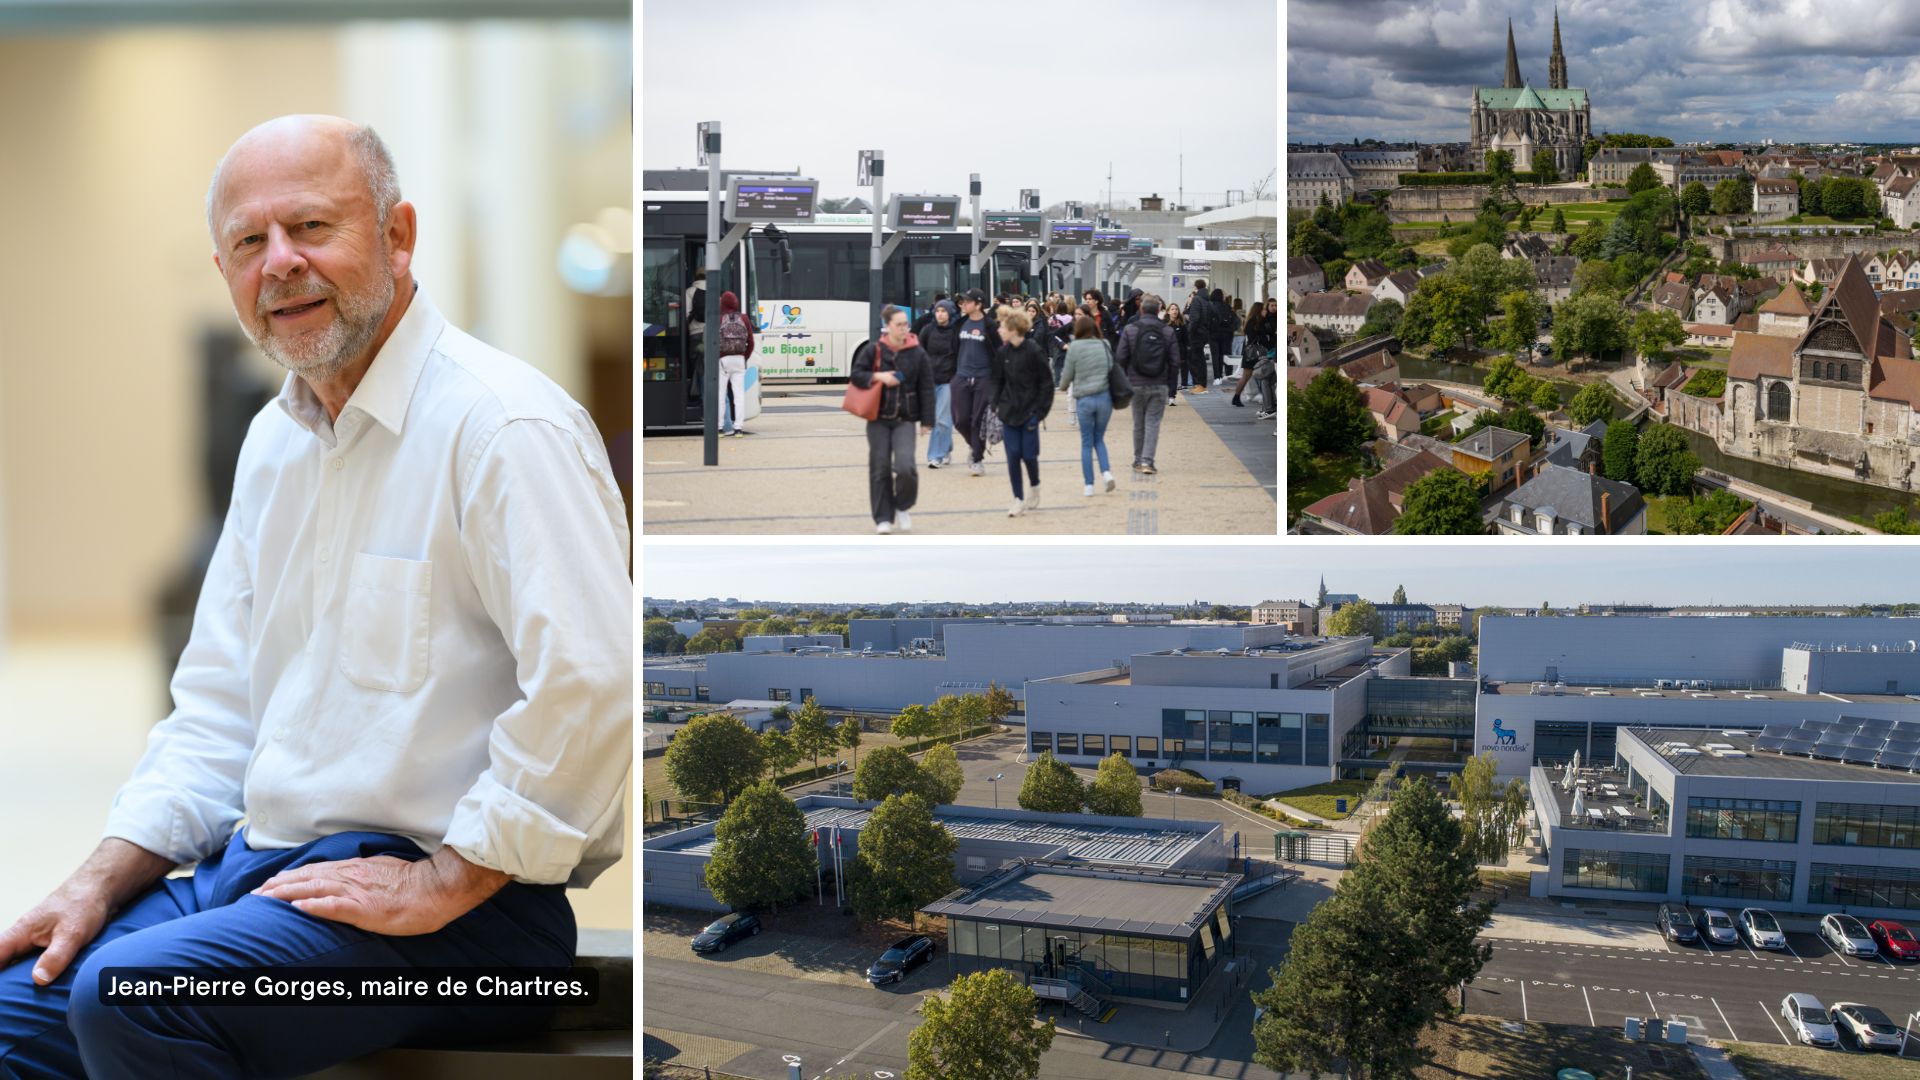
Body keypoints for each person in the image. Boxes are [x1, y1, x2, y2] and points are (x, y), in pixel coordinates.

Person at [0, 115, 631, 1079]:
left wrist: (450, 879)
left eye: (313, 228)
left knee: (135, 996)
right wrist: (96, 881)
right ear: (226, 272)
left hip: (474, 930)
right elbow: (217, 709)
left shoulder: (503, 427)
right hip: (268, 880)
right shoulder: (275, 445)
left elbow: (594, 683)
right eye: (251, 242)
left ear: (398, 234)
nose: (281, 262)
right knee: (15, 1005)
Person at [849, 305, 935, 533]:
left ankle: (902, 505)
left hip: (905, 418)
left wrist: (928, 421)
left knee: (906, 466)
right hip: (878, 418)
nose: (904, 328)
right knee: (880, 468)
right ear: (887, 326)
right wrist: (879, 376)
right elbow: (856, 375)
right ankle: (883, 518)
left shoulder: (917, 352)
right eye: (899, 324)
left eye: (905, 324)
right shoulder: (874, 350)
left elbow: (926, 387)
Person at [989, 306, 1052, 515]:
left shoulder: (1033, 350)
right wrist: (994, 403)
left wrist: (1040, 412)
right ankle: (1017, 498)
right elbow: (997, 380)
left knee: (1029, 455)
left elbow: (1046, 383)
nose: (999, 329)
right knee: (1013, 456)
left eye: (1003, 327)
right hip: (1008, 413)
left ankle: (1035, 485)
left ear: (1014, 329)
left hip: (1030, 413)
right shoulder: (1002, 352)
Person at [1117, 295, 1181, 475]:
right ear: (1159, 310)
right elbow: (1175, 361)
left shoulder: (1130, 329)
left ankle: (1138, 460)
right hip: (1159, 383)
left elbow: (1120, 357)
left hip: (1135, 384)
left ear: (1141, 310)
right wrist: (1169, 383)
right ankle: (1147, 461)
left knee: (1138, 423)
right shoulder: (1167, 331)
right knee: (1153, 423)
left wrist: (1125, 379)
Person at [1056, 312, 1117, 496]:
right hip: (1104, 396)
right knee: (1099, 438)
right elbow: (1111, 367)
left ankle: (1089, 485)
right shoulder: (1104, 344)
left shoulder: (1074, 347)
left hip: (1084, 399)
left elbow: (1066, 375)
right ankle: (1106, 473)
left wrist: (1064, 386)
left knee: (1086, 442)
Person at [949, 289, 1001, 476]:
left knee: (977, 420)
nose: (963, 304)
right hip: (961, 376)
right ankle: (975, 446)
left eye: (967, 302)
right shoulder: (960, 324)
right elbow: (953, 349)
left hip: (983, 378)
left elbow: (999, 352)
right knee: (960, 420)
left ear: (978, 304)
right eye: (962, 301)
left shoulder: (990, 326)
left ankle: (977, 459)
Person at [918, 298, 960, 468]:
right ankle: (946, 446)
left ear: (950, 313)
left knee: (941, 418)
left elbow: (960, 355)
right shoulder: (928, 330)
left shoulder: (957, 332)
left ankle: (936, 455)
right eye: (937, 311)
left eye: (943, 311)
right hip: (929, 380)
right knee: (942, 418)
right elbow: (920, 353)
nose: (940, 314)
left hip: (948, 381)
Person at [715, 288, 755, 436]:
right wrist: (744, 357)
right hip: (739, 360)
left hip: (723, 360)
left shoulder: (720, 319)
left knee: (721, 394)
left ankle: (719, 428)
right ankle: (738, 428)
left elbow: (714, 341)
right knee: (739, 395)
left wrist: (719, 356)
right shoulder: (744, 318)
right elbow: (751, 342)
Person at [1231, 299, 1279, 409]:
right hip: (1255, 353)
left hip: (1250, 353)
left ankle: (1236, 397)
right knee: (1262, 376)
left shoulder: (1252, 321)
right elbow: (1259, 337)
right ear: (1258, 310)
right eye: (1263, 309)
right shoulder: (1255, 322)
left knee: (1246, 376)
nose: (1265, 311)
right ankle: (1265, 400)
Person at [1184, 280, 1214, 393]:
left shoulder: (1197, 299)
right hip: (1204, 333)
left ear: (1195, 286)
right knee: (1199, 358)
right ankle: (1200, 384)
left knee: (1196, 359)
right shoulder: (1207, 299)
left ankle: (1200, 385)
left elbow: (1195, 319)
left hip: (1196, 333)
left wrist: (1190, 332)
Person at [685, 266, 707, 403]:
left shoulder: (689, 292)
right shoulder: (716, 291)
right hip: (711, 336)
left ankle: (698, 396)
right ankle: (706, 398)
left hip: (695, 335)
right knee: (707, 368)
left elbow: (686, 314)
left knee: (697, 367)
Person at [1209, 287, 1235, 385]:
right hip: (1226, 334)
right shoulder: (1227, 306)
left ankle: (1217, 377)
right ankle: (1228, 374)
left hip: (1213, 334)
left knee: (1216, 356)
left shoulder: (1210, 306)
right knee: (1226, 354)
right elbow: (1233, 320)